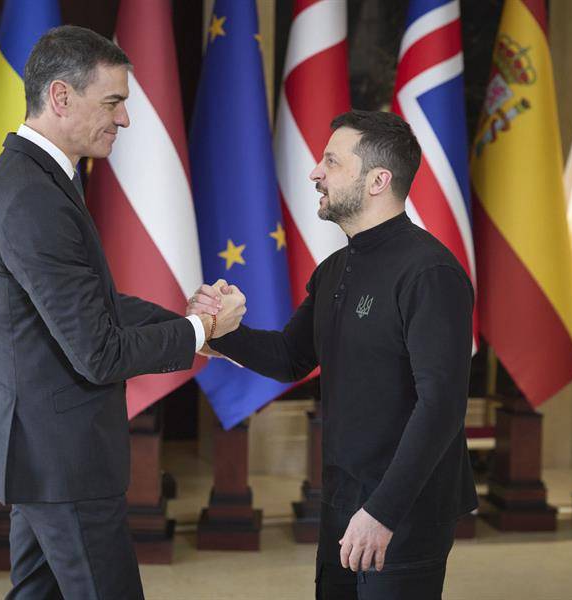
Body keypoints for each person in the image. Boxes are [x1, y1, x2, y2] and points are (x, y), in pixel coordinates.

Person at [0, 26, 244, 600]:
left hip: (43, 456)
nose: (125, 120)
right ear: (62, 97)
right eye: (114, 102)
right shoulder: (32, 197)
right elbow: (97, 352)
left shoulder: (35, 180)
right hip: (63, 462)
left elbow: (94, 303)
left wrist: (187, 324)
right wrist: (198, 332)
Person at [191, 110, 478, 600]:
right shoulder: (336, 267)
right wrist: (214, 331)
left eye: (331, 161)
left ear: (377, 181)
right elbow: (289, 357)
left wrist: (383, 512)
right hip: (343, 499)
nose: (314, 172)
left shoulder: (430, 272)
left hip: (403, 509)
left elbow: (442, 407)